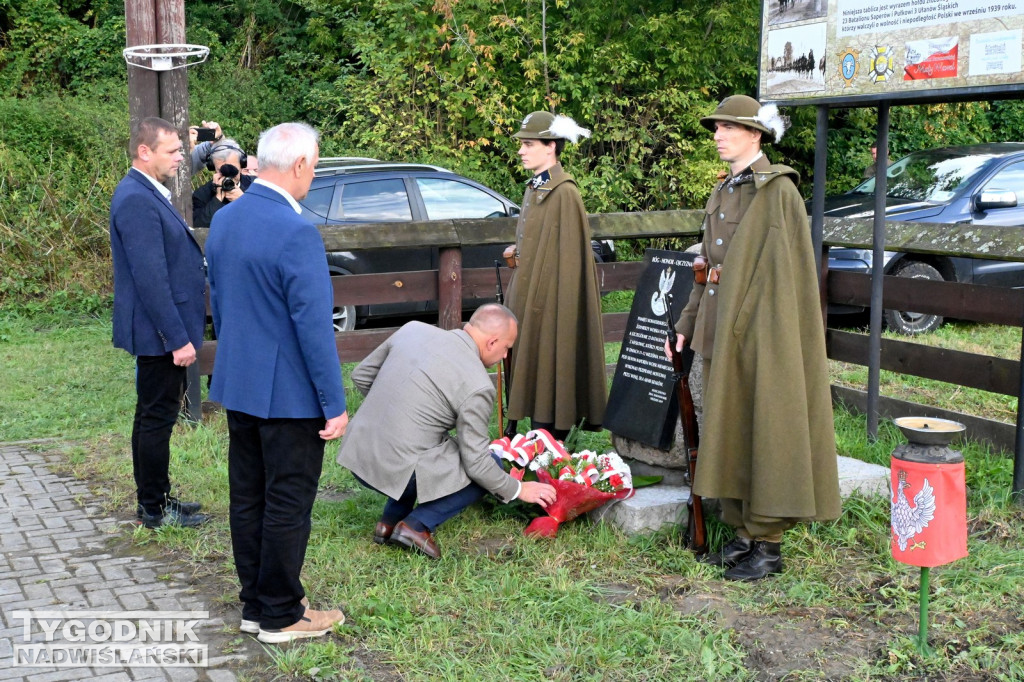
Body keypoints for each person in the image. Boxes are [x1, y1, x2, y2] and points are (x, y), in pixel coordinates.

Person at [666, 95, 840, 581]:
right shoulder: (725, 191)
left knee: (765, 427)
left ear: (756, 135)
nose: (718, 134)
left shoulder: (776, 191)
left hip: (764, 336)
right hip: (723, 331)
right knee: (734, 426)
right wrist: (685, 326)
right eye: (716, 127)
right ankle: (743, 534)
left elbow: (783, 279)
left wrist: (755, 328)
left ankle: (768, 543)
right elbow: (708, 270)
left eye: (728, 127)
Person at [205, 122, 348, 643]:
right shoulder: (296, 232)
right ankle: (283, 614)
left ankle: (255, 604)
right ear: (302, 165)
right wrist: (334, 404)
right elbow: (314, 328)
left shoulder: (225, 219)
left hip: (239, 381)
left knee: (248, 497)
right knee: (287, 501)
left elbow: (219, 303)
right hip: (288, 393)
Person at [336, 304, 557, 560]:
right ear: (492, 341)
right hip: (397, 465)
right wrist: (518, 489)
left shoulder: (413, 329)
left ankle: (388, 523)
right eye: (507, 347)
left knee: (426, 445)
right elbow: (477, 464)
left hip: (359, 453)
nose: (506, 355)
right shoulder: (478, 385)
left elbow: (362, 375)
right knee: (490, 461)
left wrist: (398, 411)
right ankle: (416, 526)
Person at [109, 117, 208, 530]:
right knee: (156, 419)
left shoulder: (148, 191)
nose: (180, 157)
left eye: (181, 150)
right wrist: (177, 338)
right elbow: (151, 278)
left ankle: (157, 498)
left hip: (160, 331)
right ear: (144, 152)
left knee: (152, 416)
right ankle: (154, 508)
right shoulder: (136, 197)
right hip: (158, 333)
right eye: (172, 151)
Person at [501, 111, 607, 440]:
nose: (521, 151)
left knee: (549, 364)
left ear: (551, 147)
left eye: (529, 144)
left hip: (551, 303)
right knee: (529, 365)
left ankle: (550, 444)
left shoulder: (564, 193)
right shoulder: (536, 188)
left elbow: (570, 261)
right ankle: (531, 444)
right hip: (528, 295)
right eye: (521, 144)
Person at [191, 139, 253, 227]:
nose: (228, 174)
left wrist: (244, 201)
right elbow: (199, 226)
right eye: (221, 170)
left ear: (242, 164)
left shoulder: (257, 186)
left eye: (232, 168)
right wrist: (217, 199)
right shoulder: (201, 194)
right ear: (213, 167)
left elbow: (268, 218)